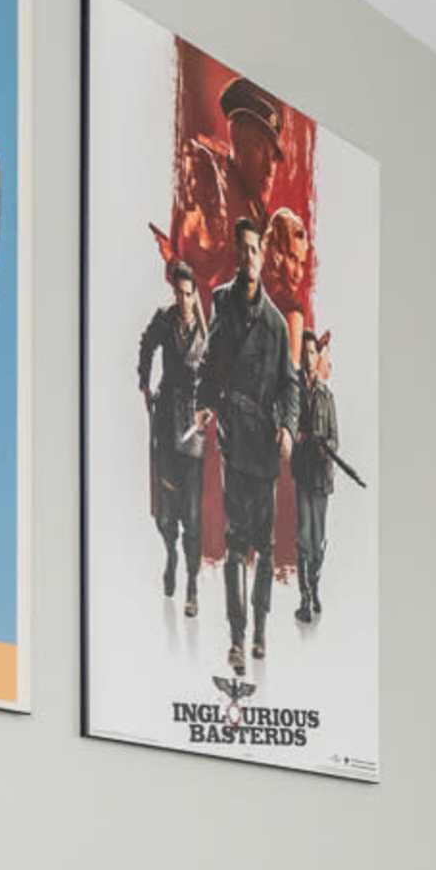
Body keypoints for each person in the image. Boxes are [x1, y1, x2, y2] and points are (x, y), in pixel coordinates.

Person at [199, 215, 297, 678]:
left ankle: (260, 629)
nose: (247, 258)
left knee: (264, 544)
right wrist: (203, 403)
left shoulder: (277, 325)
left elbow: (289, 386)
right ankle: (236, 638)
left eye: (254, 250)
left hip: (264, 446)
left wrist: (289, 429)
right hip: (235, 438)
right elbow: (212, 362)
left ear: (263, 256)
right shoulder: (223, 303)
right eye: (241, 249)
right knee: (237, 545)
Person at [134, 262, 209, 613]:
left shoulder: (207, 333)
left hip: (193, 428)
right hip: (166, 422)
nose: (182, 299)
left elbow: (218, 375)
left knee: (192, 516)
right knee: (167, 514)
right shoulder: (165, 320)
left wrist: (210, 408)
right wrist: (145, 383)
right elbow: (146, 345)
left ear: (195, 294)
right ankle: (170, 556)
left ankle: (192, 584)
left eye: (187, 293)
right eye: (177, 293)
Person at [292, 328, 340, 623]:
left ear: (317, 356)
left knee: (319, 541)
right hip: (303, 473)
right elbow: (284, 418)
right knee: (304, 538)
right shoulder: (293, 392)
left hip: (322, 475)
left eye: (313, 353)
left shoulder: (326, 395)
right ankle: (305, 599)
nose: (309, 358)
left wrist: (327, 448)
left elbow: (336, 437)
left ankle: (315, 586)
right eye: (305, 353)